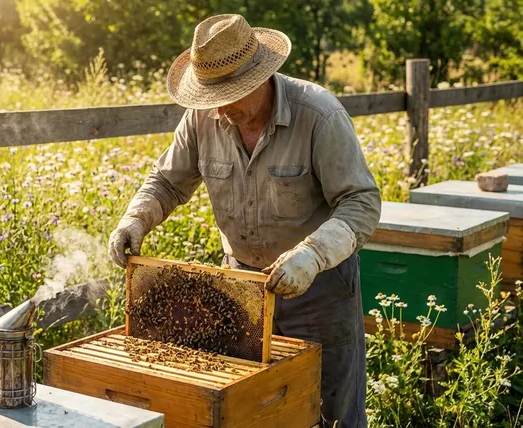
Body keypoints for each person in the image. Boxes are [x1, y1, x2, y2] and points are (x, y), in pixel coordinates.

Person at [108, 14, 381, 428]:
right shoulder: (203, 118)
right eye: (210, 96)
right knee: (255, 410)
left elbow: (361, 202)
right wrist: (135, 218)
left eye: (229, 94)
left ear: (261, 77)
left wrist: (312, 255)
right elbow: (166, 181)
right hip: (241, 292)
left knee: (331, 411)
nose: (219, 107)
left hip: (319, 292)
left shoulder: (319, 115)